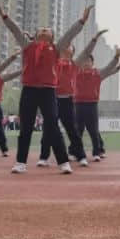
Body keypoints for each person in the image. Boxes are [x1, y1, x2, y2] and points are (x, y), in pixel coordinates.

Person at [0, 1, 90, 174]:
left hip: (48, 91)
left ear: (53, 36)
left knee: (52, 125)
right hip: (29, 90)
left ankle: (63, 162)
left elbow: (69, 35)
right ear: (36, 34)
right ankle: (20, 162)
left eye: (48, 28)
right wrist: (4, 15)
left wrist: (82, 21)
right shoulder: (27, 46)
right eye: (42, 28)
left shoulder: (56, 48)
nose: (45, 29)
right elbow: (14, 29)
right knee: (26, 127)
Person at [39, 30, 107, 167]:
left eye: (70, 46)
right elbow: (46, 50)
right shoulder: (53, 61)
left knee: (73, 130)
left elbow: (87, 52)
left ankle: (81, 156)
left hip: (68, 100)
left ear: (73, 52)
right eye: (65, 45)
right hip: (52, 98)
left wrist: (94, 39)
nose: (66, 47)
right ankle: (43, 157)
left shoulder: (75, 65)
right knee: (48, 128)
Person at [75, 51, 120, 161]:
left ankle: (97, 152)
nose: (86, 63)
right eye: (84, 61)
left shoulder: (97, 73)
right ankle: (74, 151)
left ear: (92, 63)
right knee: (78, 130)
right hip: (78, 104)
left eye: (88, 61)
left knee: (93, 130)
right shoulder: (75, 72)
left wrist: (116, 59)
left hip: (92, 104)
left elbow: (108, 70)